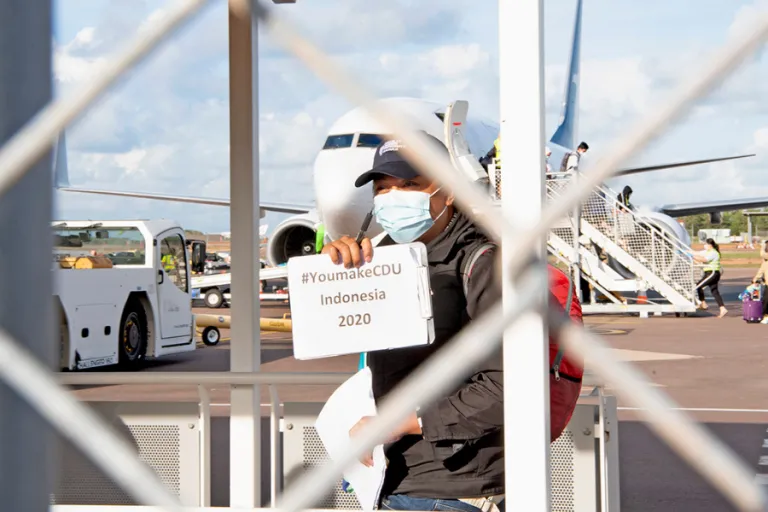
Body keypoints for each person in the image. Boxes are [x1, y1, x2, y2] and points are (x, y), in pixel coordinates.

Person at [321, 133, 584, 512]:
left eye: (409, 184)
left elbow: (510, 383)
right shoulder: (385, 260)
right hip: (392, 477)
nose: (393, 197)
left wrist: (406, 422)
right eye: (383, 188)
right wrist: (333, 272)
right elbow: (334, 333)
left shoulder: (485, 264)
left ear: (447, 192)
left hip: (456, 486)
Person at [693, 238, 727, 318]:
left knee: (698, 285)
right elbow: (697, 253)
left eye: (706, 244)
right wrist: (685, 251)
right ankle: (722, 309)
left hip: (712, 273)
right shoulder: (707, 252)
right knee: (714, 291)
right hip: (710, 273)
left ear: (710, 245)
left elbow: (704, 259)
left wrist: (692, 256)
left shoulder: (713, 253)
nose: (704, 245)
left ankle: (703, 303)